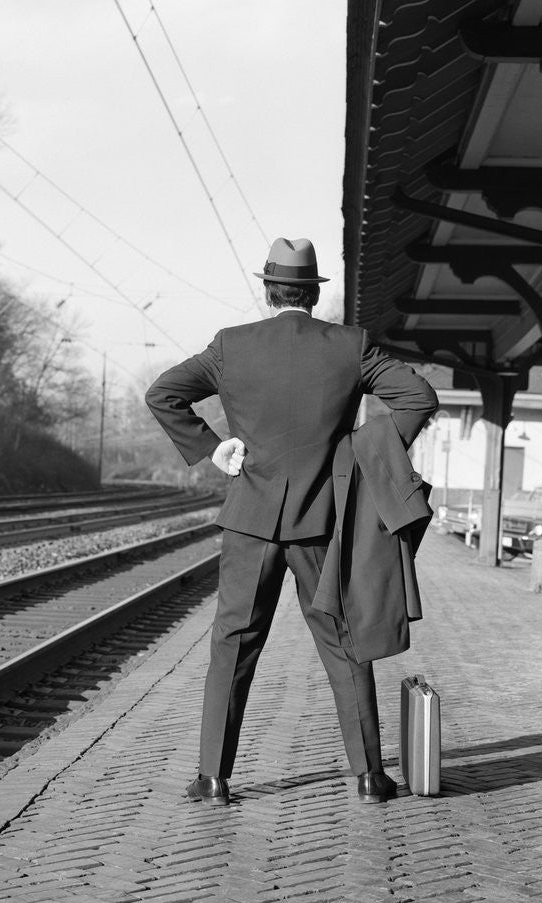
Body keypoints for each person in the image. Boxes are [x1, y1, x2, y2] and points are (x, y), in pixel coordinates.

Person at [145, 237, 438, 806]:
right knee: (344, 642)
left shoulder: (230, 346)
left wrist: (213, 448)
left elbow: (163, 395)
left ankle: (213, 777)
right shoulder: (350, 346)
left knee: (232, 642)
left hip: (249, 520)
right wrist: (359, 452)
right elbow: (418, 396)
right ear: (313, 292)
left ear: (268, 289)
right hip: (322, 521)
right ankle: (369, 777)